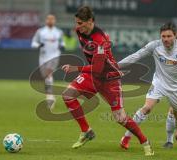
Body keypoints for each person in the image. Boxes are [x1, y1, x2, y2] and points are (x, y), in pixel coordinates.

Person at [61, 6, 154, 156]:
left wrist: (75, 68)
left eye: (80, 23)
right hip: (93, 76)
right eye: (76, 23)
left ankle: (145, 141)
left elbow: (98, 68)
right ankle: (87, 131)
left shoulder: (100, 40)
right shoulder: (80, 32)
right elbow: (94, 66)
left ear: (90, 21)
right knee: (68, 95)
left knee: (120, 118)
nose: (77, 27)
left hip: (109, 79)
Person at [118, 22, 177, 152]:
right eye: (163, 36)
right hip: (159, 83)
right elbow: (136, 55)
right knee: (146, 108)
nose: (166, 39)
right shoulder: (155, 46)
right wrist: (116, 66)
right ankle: (126, 137)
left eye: (169, 36)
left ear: (175, 35)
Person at [31, 14, 65, 109]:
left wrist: (62, 45)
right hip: (43, 56)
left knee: (49, 73)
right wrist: (38, 45)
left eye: (52, 19)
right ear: (46, 20)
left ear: (55, 21)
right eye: (49, 19)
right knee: (45, 76)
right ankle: (51, 95)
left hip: (54, 55)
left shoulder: (59, 32)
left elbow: (62, 42)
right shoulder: (40, 32)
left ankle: (49, 97)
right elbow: (33, 43)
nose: (50, 21)